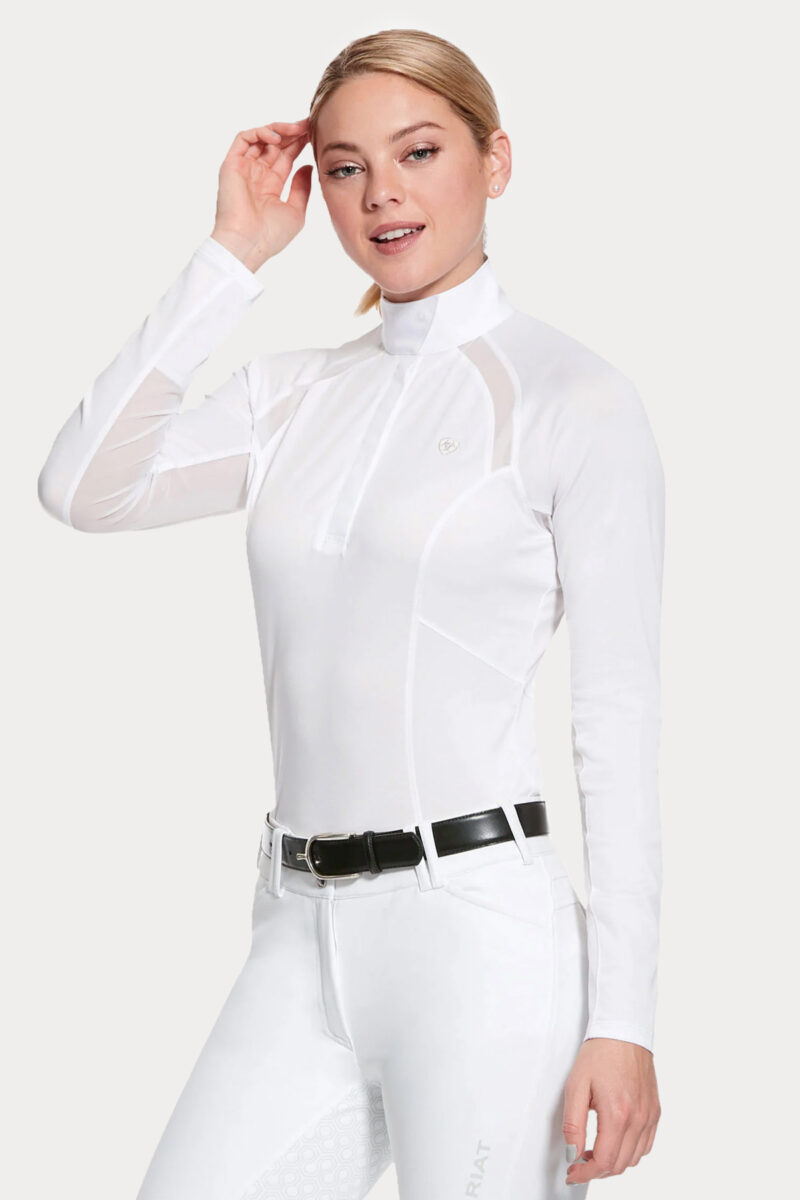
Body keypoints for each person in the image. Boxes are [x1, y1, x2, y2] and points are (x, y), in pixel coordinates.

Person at [37, 27, 664, 1200]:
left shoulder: (569, 399)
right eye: (342, 166)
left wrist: (621, 1020)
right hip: (294, 928)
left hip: (480, 937)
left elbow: (616, 717)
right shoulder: (292, 396)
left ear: (494, 161)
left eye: (417, 152)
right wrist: (231, 256)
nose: (380, 193)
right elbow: (83, 488)